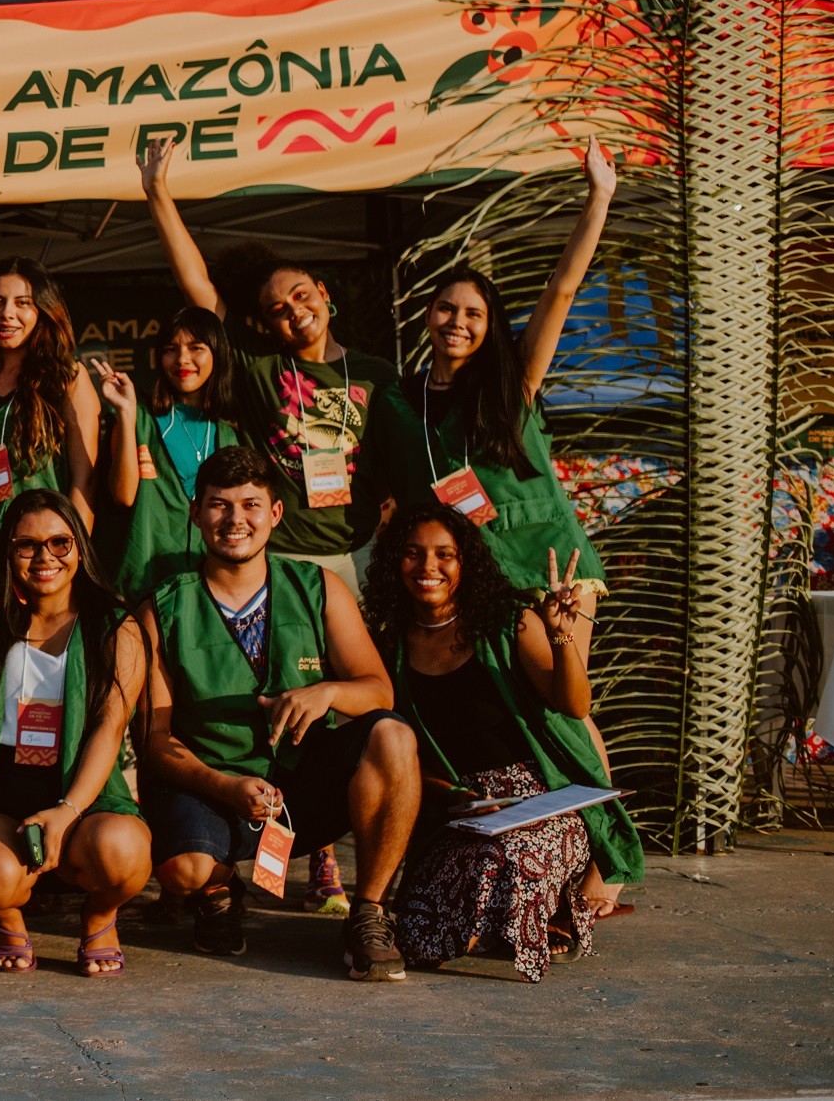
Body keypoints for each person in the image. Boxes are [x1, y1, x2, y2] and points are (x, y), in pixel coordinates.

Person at [142, 135, 410, 913]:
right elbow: (198, 291)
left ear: (323, 293)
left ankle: (352, 859)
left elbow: (397, 469)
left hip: (361, 555)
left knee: (364, 706)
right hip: (290, 556)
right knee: (275, 706)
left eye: (299, 297)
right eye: (272, 310)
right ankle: (292, 854)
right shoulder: (260, 372)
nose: (290, 313)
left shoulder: (380, 377)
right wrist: (160, 197)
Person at [136, 445, 420, 982]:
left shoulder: (319, 589)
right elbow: (155, 738)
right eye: (219, 505)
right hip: (211, 787)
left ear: (276, 513)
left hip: (299, 788)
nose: (235, 520)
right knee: (183, 870)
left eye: (250, 504)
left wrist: (328, 693)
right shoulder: (162, 608)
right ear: (195, 513)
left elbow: (378, 690)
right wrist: (223, 786)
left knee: (393, 737)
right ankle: (219, 889)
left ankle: (368, 913)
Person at [361, 503, 643, 982]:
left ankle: (552, 904)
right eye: (413, 554)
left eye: (444, 554)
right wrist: (454, 797)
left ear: (466, 562)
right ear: (395, 562)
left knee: (512, 856)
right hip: (461, 808)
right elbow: (397, 750)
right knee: (417, 935)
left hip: (542, 797)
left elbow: (573, 705)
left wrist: (562, 637)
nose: (429, 567)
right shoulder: (389, 642)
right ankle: (506, 920)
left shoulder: (509, 620)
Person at [0, 365, 149, 975]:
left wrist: (68, 809)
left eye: (60, 543)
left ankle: (98, 918)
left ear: (80, 548)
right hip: (2, 787)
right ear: (10, 556)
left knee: (122, 854)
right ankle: (8, 916)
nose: (44, 557)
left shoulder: (115, 628)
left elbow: (109, 728)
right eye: (27, 545)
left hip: (84, 787)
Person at [392, 139, 617, 626]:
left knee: (563, 701)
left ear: (489, 325)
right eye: (447, 308)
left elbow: (562, 290)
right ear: (429, 315)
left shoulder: (513, 383)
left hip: (552, 563)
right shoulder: (405, 397)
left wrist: (599, 197)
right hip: (473, 574)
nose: (458, 322)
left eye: (474, 314)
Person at [91, 305, 244, 603]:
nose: (182, 359)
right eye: (170, 349)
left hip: (205, 592)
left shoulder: (226, 434)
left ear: (217, 353)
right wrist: (124, 412)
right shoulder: (140, 417)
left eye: (196, 347)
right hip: (139, 590)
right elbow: (123, 495)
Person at [0, 257, 100, 531]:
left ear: (44, 310)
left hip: (41, 546)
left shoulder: (67, 377)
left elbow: (85, 482)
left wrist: (71, 552)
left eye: (22, 303)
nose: (6, 313)